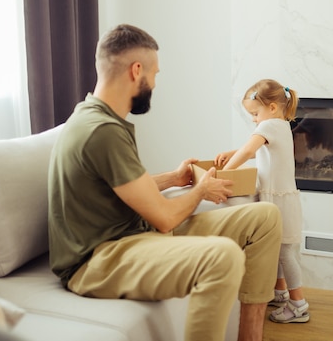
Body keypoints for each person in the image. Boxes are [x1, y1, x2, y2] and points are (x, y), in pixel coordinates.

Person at [47, 24, 283, 341]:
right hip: (99, 259)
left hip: (133, 236)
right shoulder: (101, 130)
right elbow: (165, 217)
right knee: (222, 256)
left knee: (265, 217)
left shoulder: (99, 118)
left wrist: (174, 178)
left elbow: (121, 186)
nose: (155, 83)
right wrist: (201, 189)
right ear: (136, 71)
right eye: (155, 74)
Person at [215, 79, 309, 324]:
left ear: (272, 108)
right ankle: (280, 292)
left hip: (280, 202)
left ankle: (299, 304)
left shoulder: (270, 125)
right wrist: (230, 154)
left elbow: (248, 150)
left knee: (286, 253)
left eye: (255, 113)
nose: (254, 120)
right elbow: (255, 149)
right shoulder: (279, 126)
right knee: (277, 249)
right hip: (279, 199)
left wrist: (223, 174)